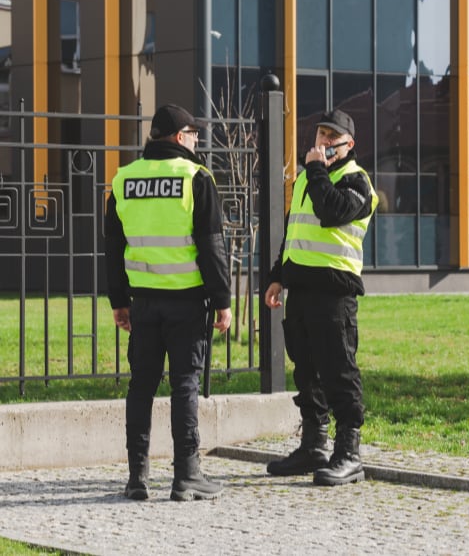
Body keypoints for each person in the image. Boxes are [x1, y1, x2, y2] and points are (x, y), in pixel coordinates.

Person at [105, 103, 232, 501]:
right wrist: (223, 300)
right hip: (186, 302)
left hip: (143, 303)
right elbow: (212, 248)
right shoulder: (196, 177)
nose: (197, 142)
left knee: (140, 385)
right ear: (180, 137)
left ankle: (136, 477)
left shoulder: (124, 179)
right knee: (184, 384)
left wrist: (118, 301)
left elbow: (113, 249)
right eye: (195, 135)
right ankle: (186, 476)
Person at [263, 109, 377, 486]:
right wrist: (278, 275)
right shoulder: (305, 182)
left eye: (333, 137)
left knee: (339, 372)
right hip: (301, 291)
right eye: (321, 134)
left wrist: (315, 171)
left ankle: (349, 453)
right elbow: (294, 232)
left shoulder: (358, 182)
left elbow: (330, 212)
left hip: (334, 294)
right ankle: (313, 445)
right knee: (307, 372)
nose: (324, 142)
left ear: (349, 144)